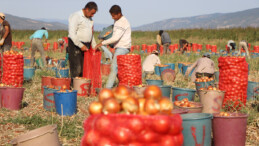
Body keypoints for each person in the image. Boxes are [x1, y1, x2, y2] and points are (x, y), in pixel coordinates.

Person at [95, 5, 131, 88]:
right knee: (120, 69)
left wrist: (103, 43)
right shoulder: (117, 21)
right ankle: (123, 86)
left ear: (119, 13)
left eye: (113, 15)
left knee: (114, 67)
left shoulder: (122, 22)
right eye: (111, 15)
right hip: (120, 47)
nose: (112, 17)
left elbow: (115, 38)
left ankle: (107, 89)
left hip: (123, 47)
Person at [68, 2, 97, 82]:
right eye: (92, 13)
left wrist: (94, 46)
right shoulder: (76, 16)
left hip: (86, 45)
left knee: (84, 68)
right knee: (77, 68)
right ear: (87, 9)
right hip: (75, 45)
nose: (92, 15)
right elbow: (72, 34)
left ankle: (82, 87)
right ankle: (74, 87)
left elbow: (91, 34)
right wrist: (80, 45)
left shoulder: (90, 19)